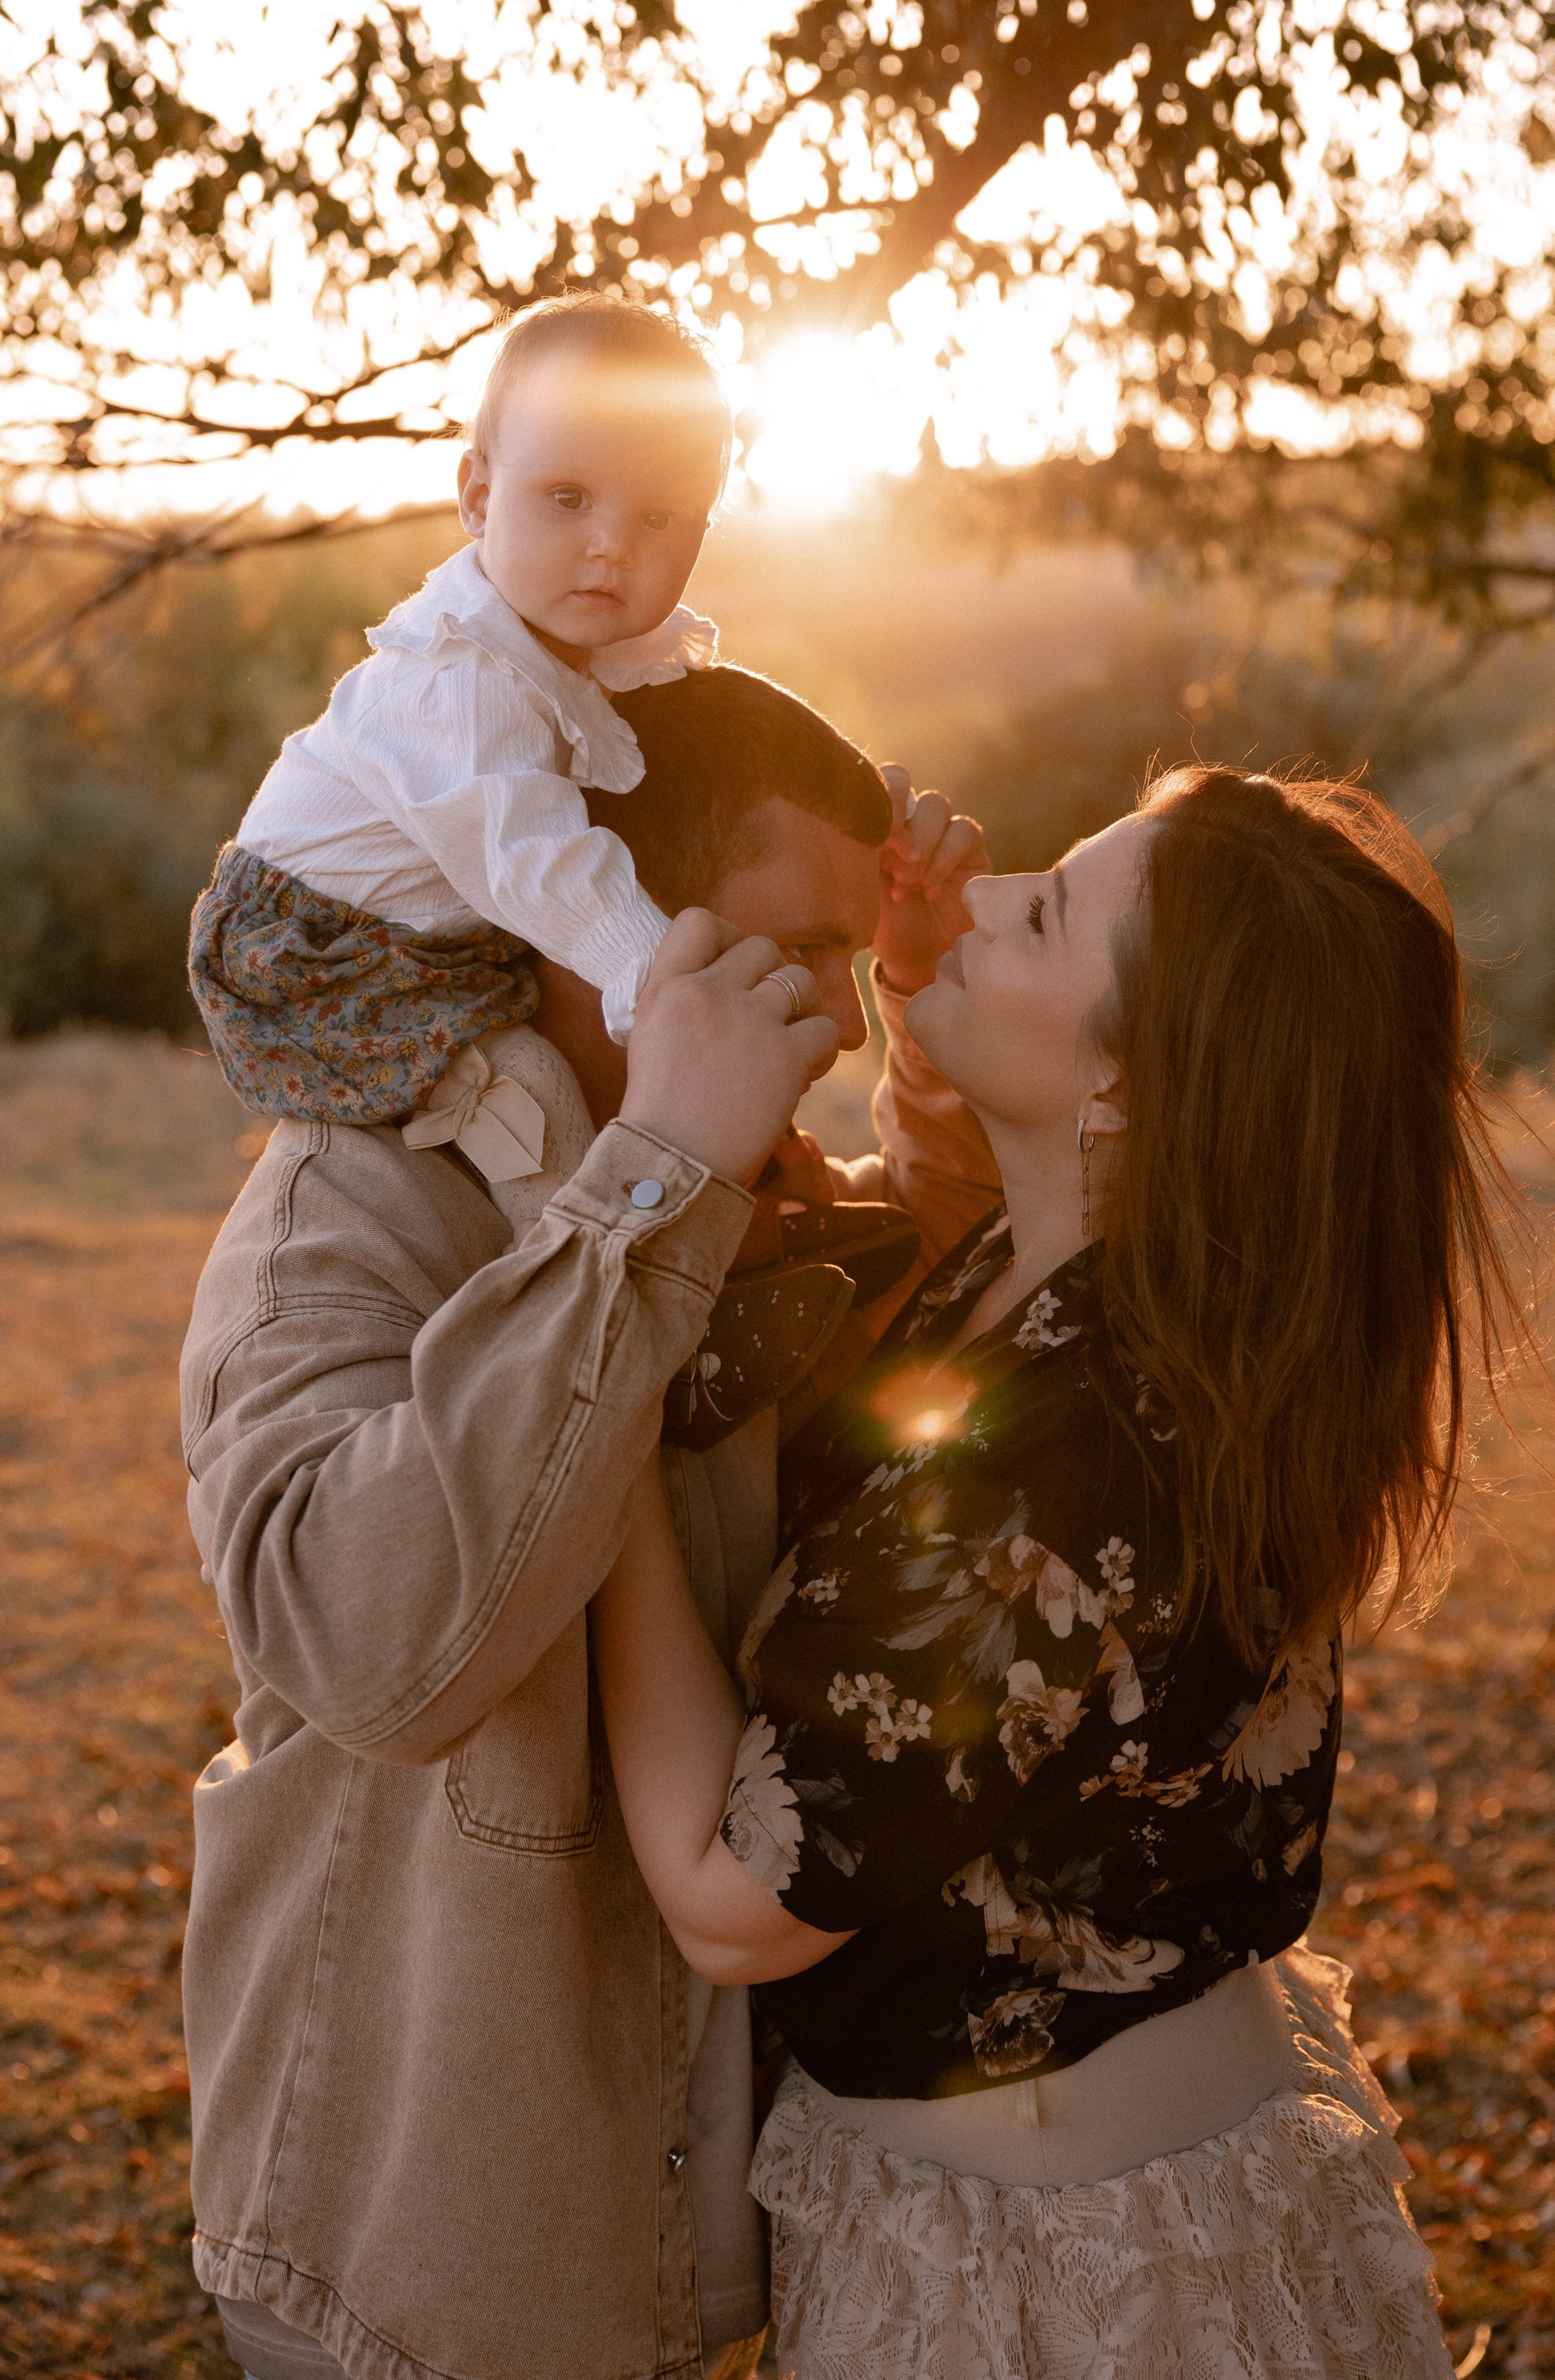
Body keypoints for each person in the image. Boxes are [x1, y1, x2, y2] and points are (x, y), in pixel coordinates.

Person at [591, 763, 1530, 2380]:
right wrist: (919, 980)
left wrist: (585, 1411)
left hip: (1062, 2276)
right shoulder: (1106, 1275)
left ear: (1120, 1084)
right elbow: (970, 1204)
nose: (979, 886)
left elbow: (729, 1900)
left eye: (1033, 912)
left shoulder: (1072, 1451)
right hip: (1084, 2157)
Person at [178, 669, 995, 2380]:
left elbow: (948, 1296)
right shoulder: (344, 1206)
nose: (832, 1027)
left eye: (850, 969)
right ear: (592, 913)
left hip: (688, 2223)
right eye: (800, 955)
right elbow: (378, 1658)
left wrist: (919, 1008)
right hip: (426, 2249)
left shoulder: (742, 1192)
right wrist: (651, 1182)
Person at [188, 294, 731, 1133]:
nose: (611, 546)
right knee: (533, 1098)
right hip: (320, 955)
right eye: (567, 497)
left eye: (657, 517)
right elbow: (535, 858)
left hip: (417, 937)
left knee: (559, 1065)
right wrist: (657, 970)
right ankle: (593, 1249)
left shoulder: (566, 650)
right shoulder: (466, 678)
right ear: (478, 496)